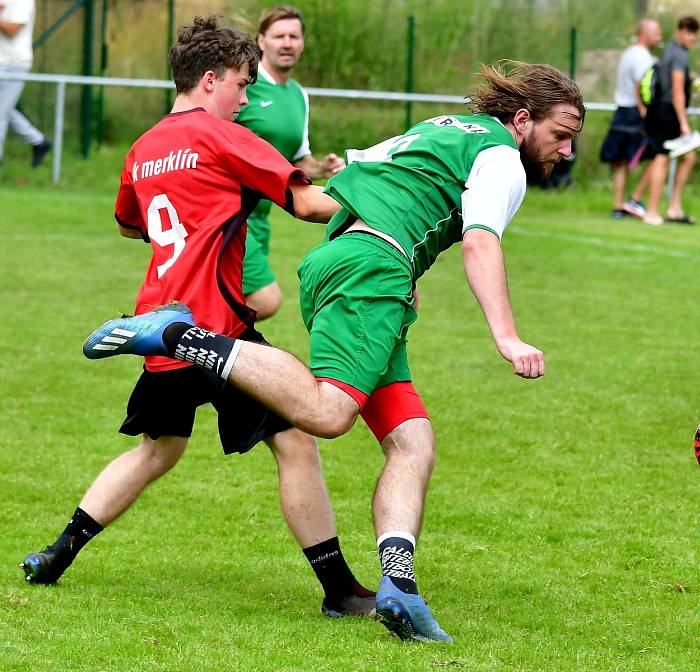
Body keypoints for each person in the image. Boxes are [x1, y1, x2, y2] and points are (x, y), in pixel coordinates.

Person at [82, 61, 585, 643]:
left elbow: (355, 173)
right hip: (372, 270)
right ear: (522, 120)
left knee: (412, 439)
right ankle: (177, 336)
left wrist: (391, 257)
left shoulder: (443, 128)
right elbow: (479, 241)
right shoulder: (500, 156)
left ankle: (398, 587)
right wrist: (506, 335)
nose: (567, 150)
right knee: (326, 414)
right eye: (561, 133)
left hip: (356, 263)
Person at [20, 15, 376, 620]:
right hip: (215, 329)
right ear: (210, 81)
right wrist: (378, 187)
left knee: (159, 449)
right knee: (294, 441)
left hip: (159, 325)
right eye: (241, 84)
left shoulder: (144, 146)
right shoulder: (225, 137)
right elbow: (309, 205)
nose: (246, 98)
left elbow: (132, 221)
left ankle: (57, 553)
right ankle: (341, 591)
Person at [236, 5, 344, 321]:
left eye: (293, 36)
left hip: (260, 216)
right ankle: (186, 341)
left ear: (302, 43)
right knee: (265, 300)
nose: (287, 43)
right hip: (230, 211)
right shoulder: (246, 85)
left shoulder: (298, 94)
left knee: (235, 303)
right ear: (261, 41)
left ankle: (194, 349)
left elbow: (296, 160)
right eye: (279, 36)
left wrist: (322, 168)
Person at [636, 15, 700, 226]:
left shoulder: (671, 51)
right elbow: (676, 92)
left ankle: (674, 208)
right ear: (680, 31)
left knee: (688, 155)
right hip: (668, 113)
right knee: (661, 159)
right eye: (689, 33)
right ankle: (652, 212)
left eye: (694, 34)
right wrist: (684, 123)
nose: (692, 38)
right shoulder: (680, 55)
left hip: (662, 111)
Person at [598, 18, 661, 219]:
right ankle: (634, 199)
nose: (659, 37)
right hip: (635, 112)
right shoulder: (642, 56)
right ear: (645, 33)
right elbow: (639, 85)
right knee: (658, 154)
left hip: (622, 112)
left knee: (621, 161)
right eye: (656, 33)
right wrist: (645, 113)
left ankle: (618, 207)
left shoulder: (628, 53)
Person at [0, 0, 51, 166]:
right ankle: (39, 141)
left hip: (14, 64)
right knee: (4, 109)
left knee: (1, 112)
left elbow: (12, 30)